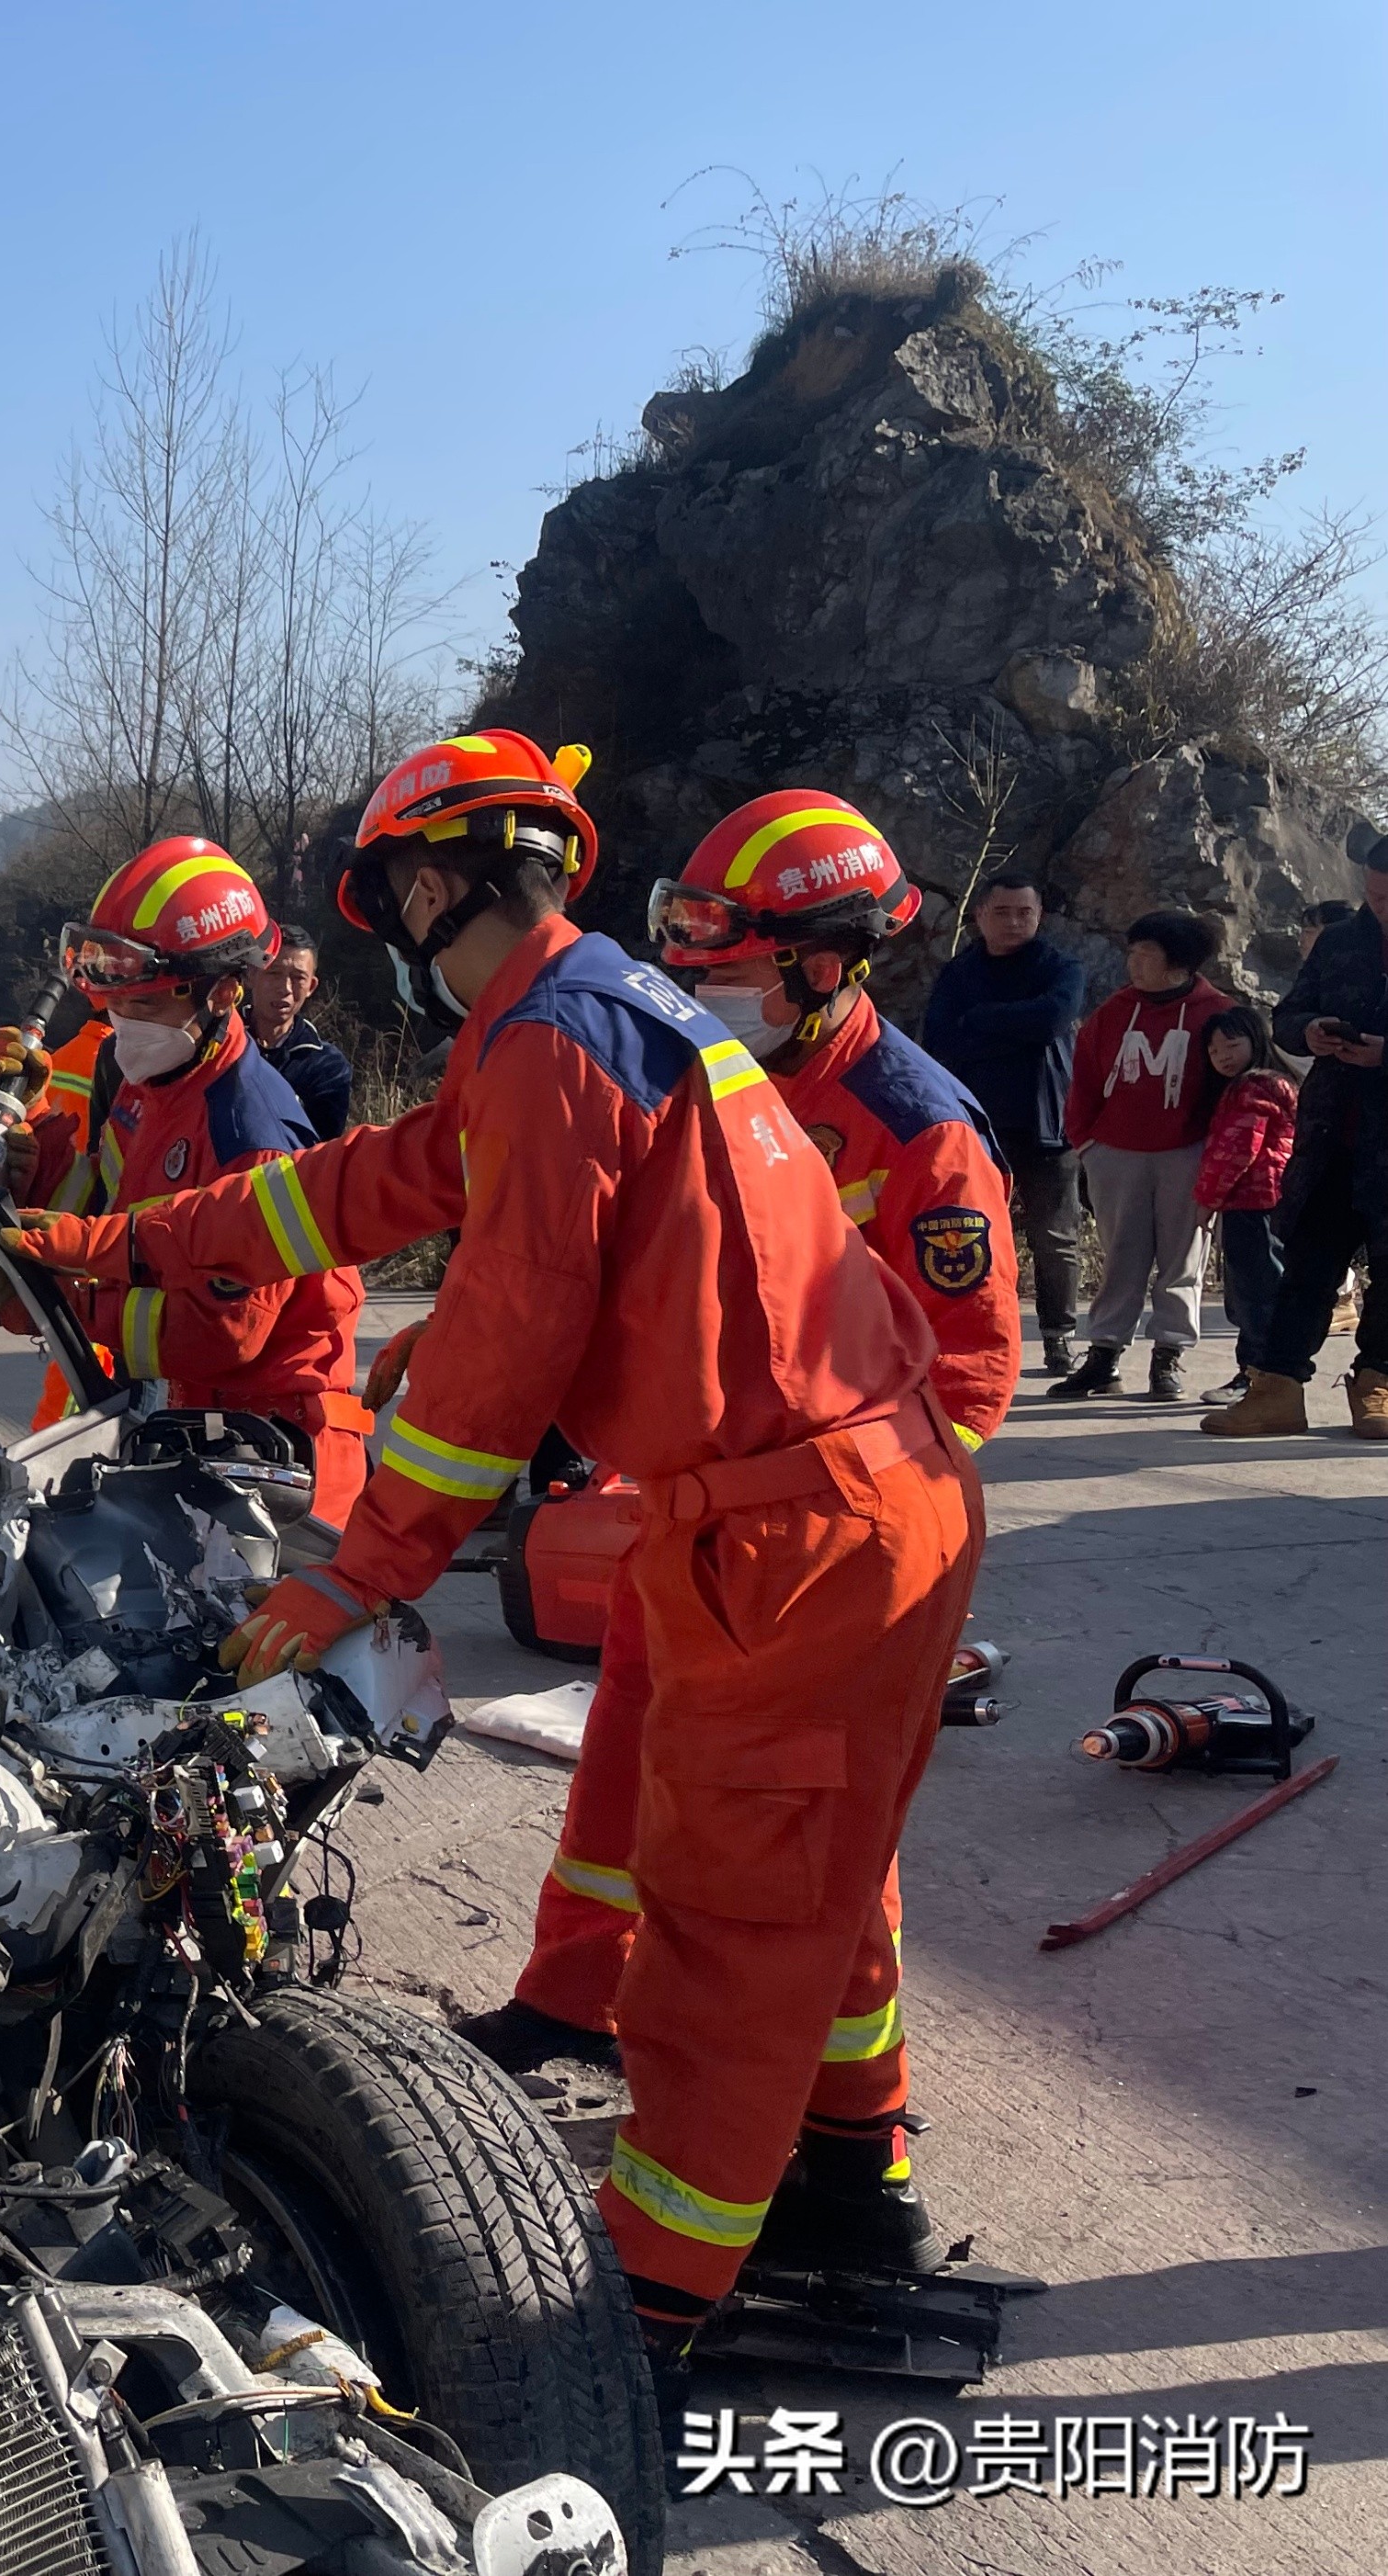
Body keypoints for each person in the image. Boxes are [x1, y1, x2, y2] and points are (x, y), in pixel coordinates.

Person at [4, 730, 980, 2358]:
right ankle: (841, 2173)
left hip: (798, 1527)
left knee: (721, 1938)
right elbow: (338, 1192)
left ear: (433, 878)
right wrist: (81, 1248)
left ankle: (637, 2317)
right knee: (801, 1886)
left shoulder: (550, 1042)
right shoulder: (565, 1015)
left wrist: (354, 1567)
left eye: (390, 892)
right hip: (800, 1512)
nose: (386, 925)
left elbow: (493, 1360)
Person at [460, 791, 1018, 2104]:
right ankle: (570, 1998)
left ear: (823, 966)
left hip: (816, 1557)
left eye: (735, 968)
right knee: (619, 1759)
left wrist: (824, 1515)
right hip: (695, 1522)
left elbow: (971, 1371)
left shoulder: (913, 1127)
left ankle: (837, 2114)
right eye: (692, 965)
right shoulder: (714, 1076)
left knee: (817, 1844)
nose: (708, 991)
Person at [8, 839, 372, 1520]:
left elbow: (223, 1331)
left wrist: (65, 1302)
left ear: (224, 992)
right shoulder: (158, 1083)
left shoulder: (250, 1134)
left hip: (287, 1462)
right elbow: (106, 1206)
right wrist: (36, 1149)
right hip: (217, 1429)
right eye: (114, 1005)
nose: (123, 1025)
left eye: (143, 1007)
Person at [1202, 847, 1388, 1438]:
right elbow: (1285, 1018)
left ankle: (1377, 1381)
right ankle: (1276, 1388)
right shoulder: (1341, 941)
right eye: (1374, 895)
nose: (1379, 908)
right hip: (1334, 1134)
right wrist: (1308, 1032)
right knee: (1307, 1267)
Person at [1054, 910, 1230, 1402]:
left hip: (1188, 1152)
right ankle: (1104, 1357)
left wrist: (1216, 1156)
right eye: (1132, 953)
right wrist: (1088, 1144)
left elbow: (1233, 1086)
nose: (1133, 964)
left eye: (1146, 956)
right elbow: (1084, 1078)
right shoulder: (1115, 1011)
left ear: (1178, 964)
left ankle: (1168, 1358)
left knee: (1183, 1258)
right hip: (1117, 1153)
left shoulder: (1216, 1012)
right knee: (1120, 1258)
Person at [920, 874, 1087, 1373]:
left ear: (1039, 916)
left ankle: (1058, 1335)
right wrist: (1016, 1027)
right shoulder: (959, 974)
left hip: (1047, 1124)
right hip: (976, 1125)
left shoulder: (1062, 968)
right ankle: (986, 1337)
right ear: (980, 916)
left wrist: (983, 1020)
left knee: (1055, 1235)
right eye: (1003, 912)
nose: (1015, 922)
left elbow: (1053, 1020)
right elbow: (942, 1042)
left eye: (1025, 913)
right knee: (977, 1233)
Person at [1191, 1006, 1299, 1407]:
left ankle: (1256, 1376)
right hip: (1271, 1202)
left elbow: (1236, 1150)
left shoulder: (1251, 1089)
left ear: (1257, 1041)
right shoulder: (1275, 1085)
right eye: (1214, 1050)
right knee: (1262, 1288)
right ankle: (1267, 1373)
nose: (1222, 1055)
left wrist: (1206, 1200)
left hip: (1253, 1203)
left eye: (1232, 1044)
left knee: (1255, 1293)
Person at [249, 924, 361, 1139]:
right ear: (251, 975)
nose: (285, 988)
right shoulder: (218, 1041)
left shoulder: (326, 1066)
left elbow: (320, 1149)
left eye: (298, 978)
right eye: (274, 973)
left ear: (311, 986)